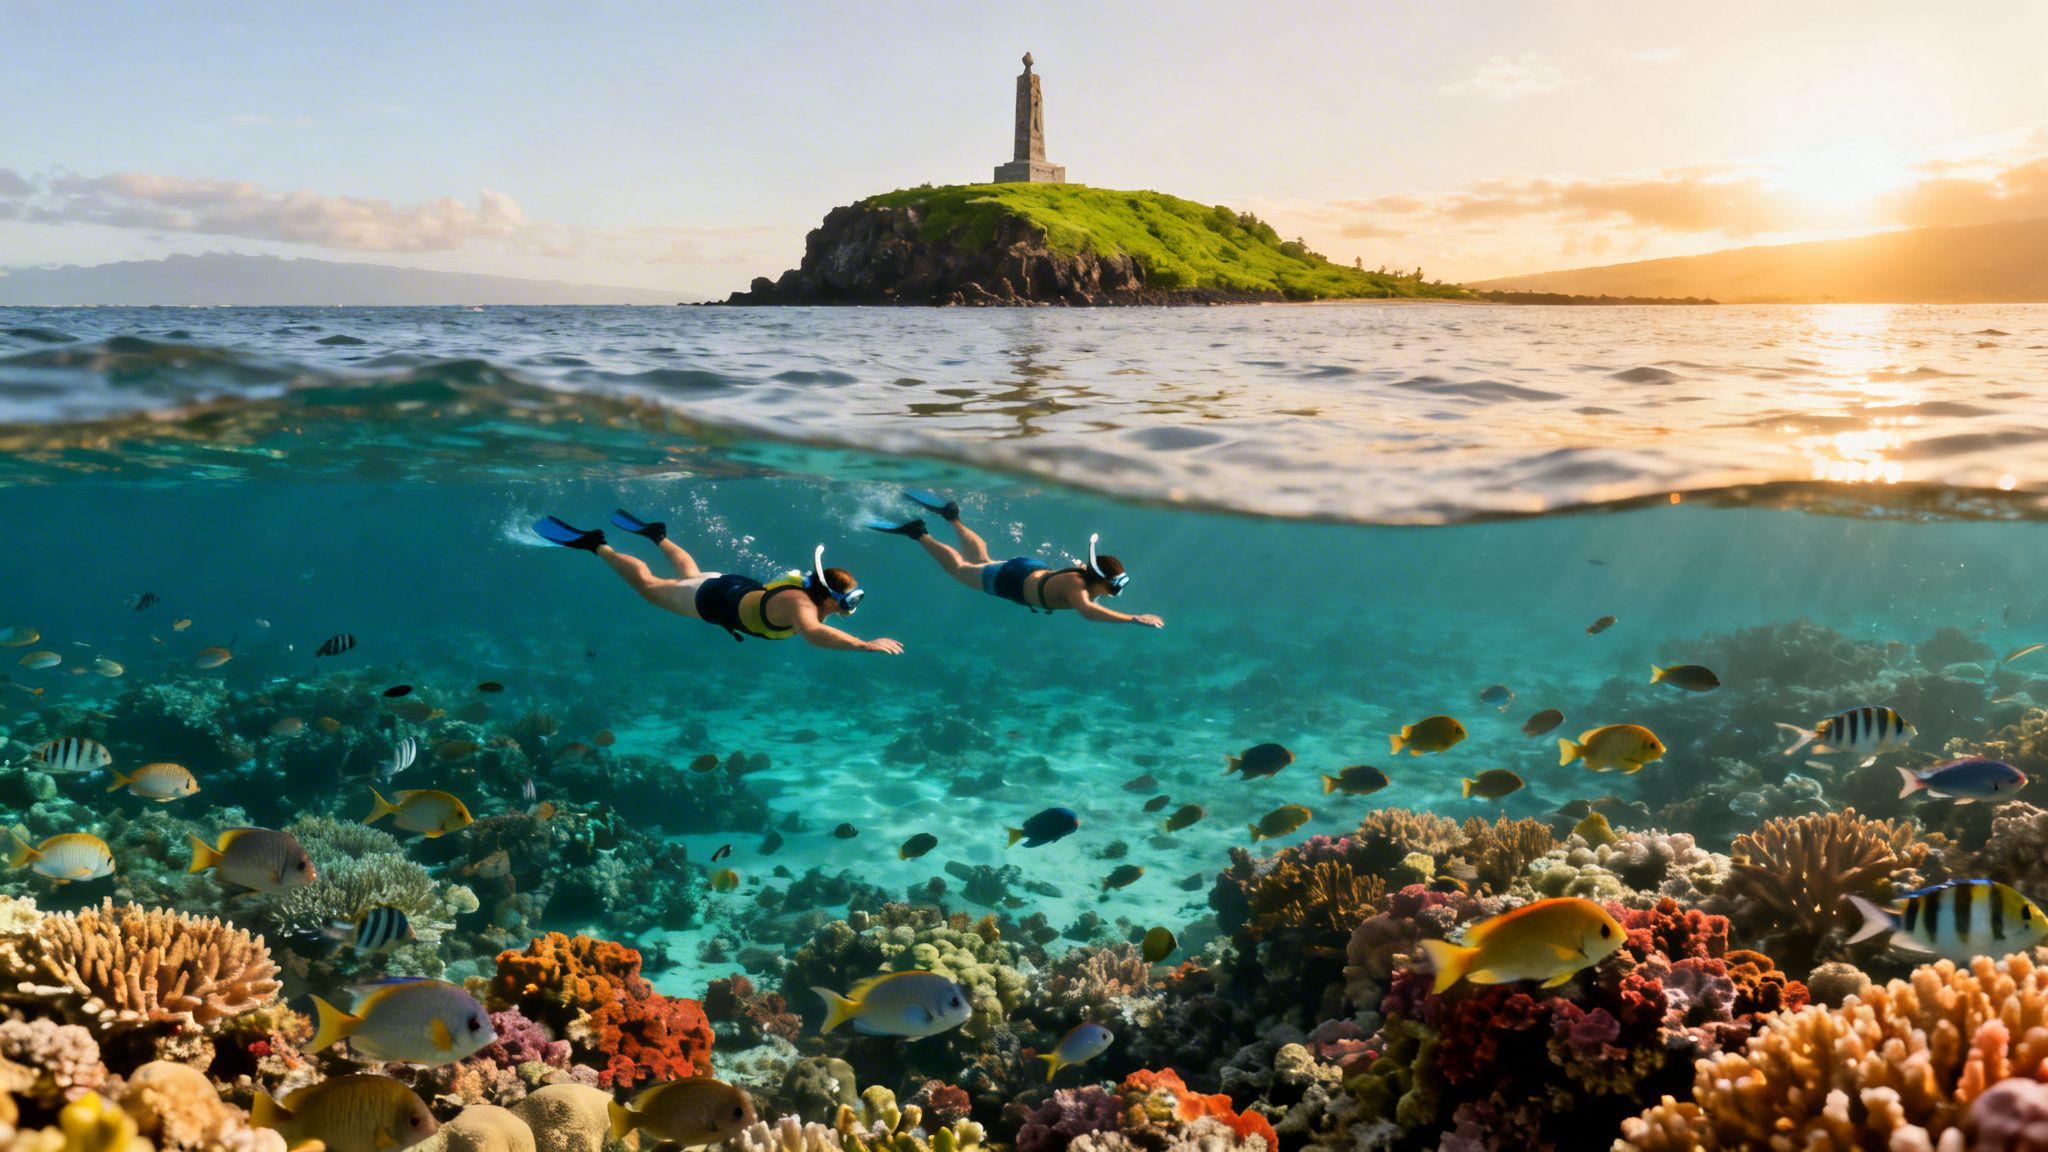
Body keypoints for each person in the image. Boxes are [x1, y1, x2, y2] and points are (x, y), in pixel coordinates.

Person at [534, 509, 903, 654]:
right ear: (828, 595)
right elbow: (812, 632)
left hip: (730, 588)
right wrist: (862, 645)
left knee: (692, 575)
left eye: (856, 600)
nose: (851, 608)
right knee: (648, 587)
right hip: (711, 600)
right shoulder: (801, 605)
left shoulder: (808, 595)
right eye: (849, 602)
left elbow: (819, 623)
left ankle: (658, 535)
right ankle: (596, 545)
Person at [868, 490, 1163, 627]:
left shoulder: (1084, 575)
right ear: (1099, 580)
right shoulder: (1078, 586)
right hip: (1009, 582)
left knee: (982, 557)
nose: (1116, 593)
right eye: (1114, 587)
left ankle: (953, 518)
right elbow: (1087, 612)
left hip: (1027, 570)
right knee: (960, 569)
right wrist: (1133, 619)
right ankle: (919, 533)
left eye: (1120, 587)